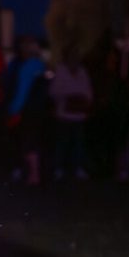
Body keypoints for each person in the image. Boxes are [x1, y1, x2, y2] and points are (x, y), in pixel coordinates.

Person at [5, 35, 46, 185]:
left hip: (28, 110)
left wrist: (14, 109)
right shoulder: (37, 65)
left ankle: (34, 174)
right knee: (31, 139)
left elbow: (22, 91)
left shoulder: (29, 66)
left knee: (28, 140)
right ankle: (32, 172)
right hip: (37, 109)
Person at [50, 51, 93, 180]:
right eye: (71, 57)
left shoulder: (82, 72)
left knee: (78, 143)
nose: (74, 60)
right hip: (64, 114)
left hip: (79, 114)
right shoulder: (61, 72)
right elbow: (54, 91)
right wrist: (70, 94)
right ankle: (58, 168)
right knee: (62, 142)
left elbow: (88, 90)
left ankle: (78, 167)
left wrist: (83, 99)